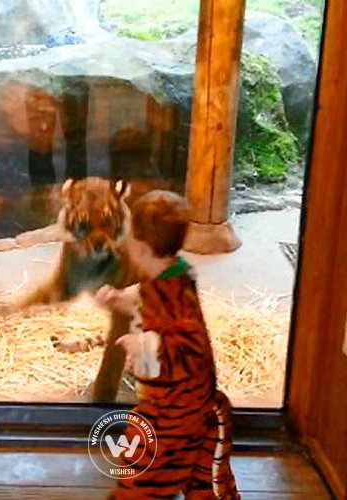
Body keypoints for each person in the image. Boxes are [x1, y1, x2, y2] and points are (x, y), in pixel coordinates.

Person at [94, 190, 240, 500]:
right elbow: (151, 295)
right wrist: (121, 300)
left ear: (142, 248)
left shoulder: (171, 294)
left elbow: (182, 346)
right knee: (206, 484)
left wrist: (141, 346)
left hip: (172, 412)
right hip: (196, 403)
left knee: (140, 480)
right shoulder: (177, 271)